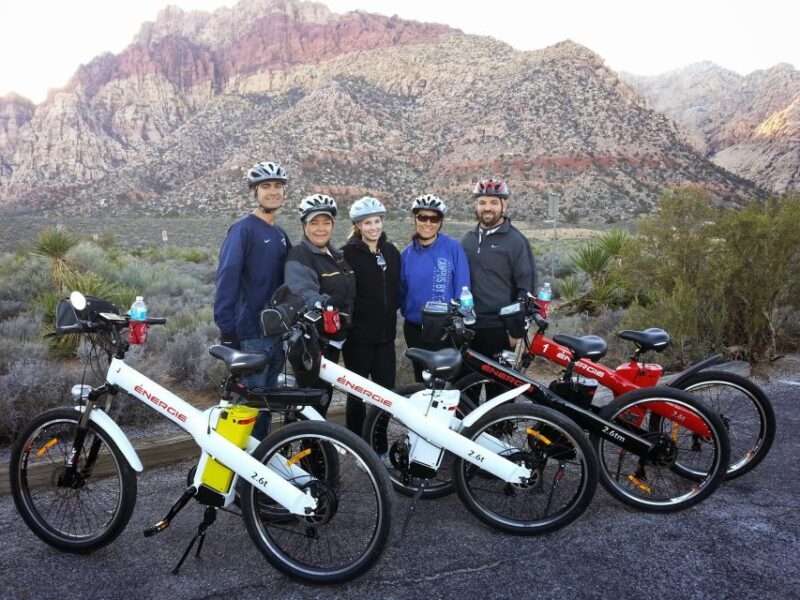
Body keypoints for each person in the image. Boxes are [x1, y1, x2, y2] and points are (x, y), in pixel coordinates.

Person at [214, 161, 291, 439]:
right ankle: (234, 474)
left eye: (278, 186)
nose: (273, 192)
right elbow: (227, 279)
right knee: (247, 410)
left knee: (265, 407)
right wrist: (227, 329)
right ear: (254, 192)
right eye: (266, 186)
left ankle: (259, 470)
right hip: (251, 334)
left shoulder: (280, 235)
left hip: (276, 334)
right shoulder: (243, 229)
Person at [284, 193, 356, 416]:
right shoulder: (300, 254)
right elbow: (303, 290)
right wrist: (325, 303)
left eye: (326, 222)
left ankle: (315, 449)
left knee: (322, 398)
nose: (320, 228)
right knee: (311, 402)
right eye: (314, 223)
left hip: (334, 339)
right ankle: (300, 448)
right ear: (304, 225)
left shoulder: (336, 254)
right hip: (314, 340)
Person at [341, 197, 401, 435]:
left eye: (377, 221)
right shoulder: (346, 254)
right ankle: (356, 444)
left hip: (385, 337)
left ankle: (379, 443)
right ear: (358, 225)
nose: (374, 227)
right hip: (358, 339)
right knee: (357, 395)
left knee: (386, 395)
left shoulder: (391, 251)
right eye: (367, 223)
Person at [461, 178, 535, 359]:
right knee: (465, 385)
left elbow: (526, 287)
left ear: (504, 206)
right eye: (482, 202)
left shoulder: (516, 241)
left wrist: (515, 330)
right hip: (468, 326)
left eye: (494, 202)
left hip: (499, 328)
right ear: (475, 205)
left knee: (500, 387)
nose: (487, 207)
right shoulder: (467, 239)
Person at [399, 194, 471, 382]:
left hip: (446, 330)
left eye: (434, 218)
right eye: (423, 217)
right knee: (421, 380)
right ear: (414, 219)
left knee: (447, 383)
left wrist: (462, 319)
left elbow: (463, 287)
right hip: (415, 329)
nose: (428, 223)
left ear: (440, 222)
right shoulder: (406, 254)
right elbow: (400, 292)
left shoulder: (452, 247)